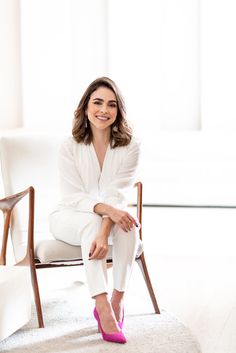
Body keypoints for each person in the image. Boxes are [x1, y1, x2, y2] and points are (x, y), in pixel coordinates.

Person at [49, 77, 141, 344]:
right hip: (67, 216)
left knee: (128, 225)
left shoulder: (131, 147)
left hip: (103, 219)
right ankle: (101, 306)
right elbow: (74, 197)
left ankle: (118, 299)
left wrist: (105, 228)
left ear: (118, 111)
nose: (104, 110)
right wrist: (106, 218)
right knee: (95, 222)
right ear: (86, 108)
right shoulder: (69, 146)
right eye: (97, 102)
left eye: (112, 105)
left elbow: (117, 195)